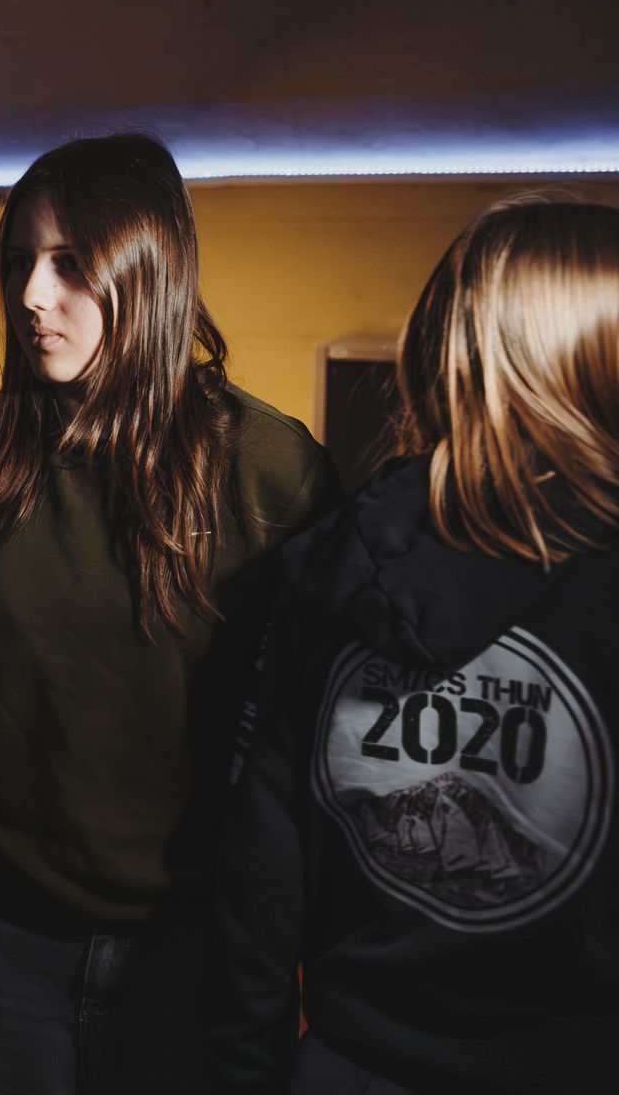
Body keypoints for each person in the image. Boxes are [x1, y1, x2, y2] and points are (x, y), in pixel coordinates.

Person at [0, 133, 339, 1093]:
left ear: (149, 268)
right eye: (19, 262)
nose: (31, 294)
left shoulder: (273, 471)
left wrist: (291, 940)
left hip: (193, 939)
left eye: (71, 263)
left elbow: (311, 743)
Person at [211, 195, 619, 1094]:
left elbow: (260, 873)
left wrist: (245, 1071)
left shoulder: (327, 559)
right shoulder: (325, 568)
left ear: (441, 350)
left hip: (349, 1063)